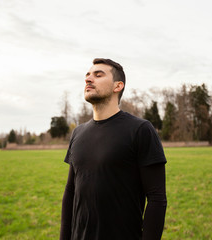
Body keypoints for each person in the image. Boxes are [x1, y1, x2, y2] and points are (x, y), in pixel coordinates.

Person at [60, 58, 167, 240]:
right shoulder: (78, 132)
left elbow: (157, 198)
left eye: (98, 75)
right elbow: (70, 191)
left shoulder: (140, 130)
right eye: (87, 75)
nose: (88, 79)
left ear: (118, 86)